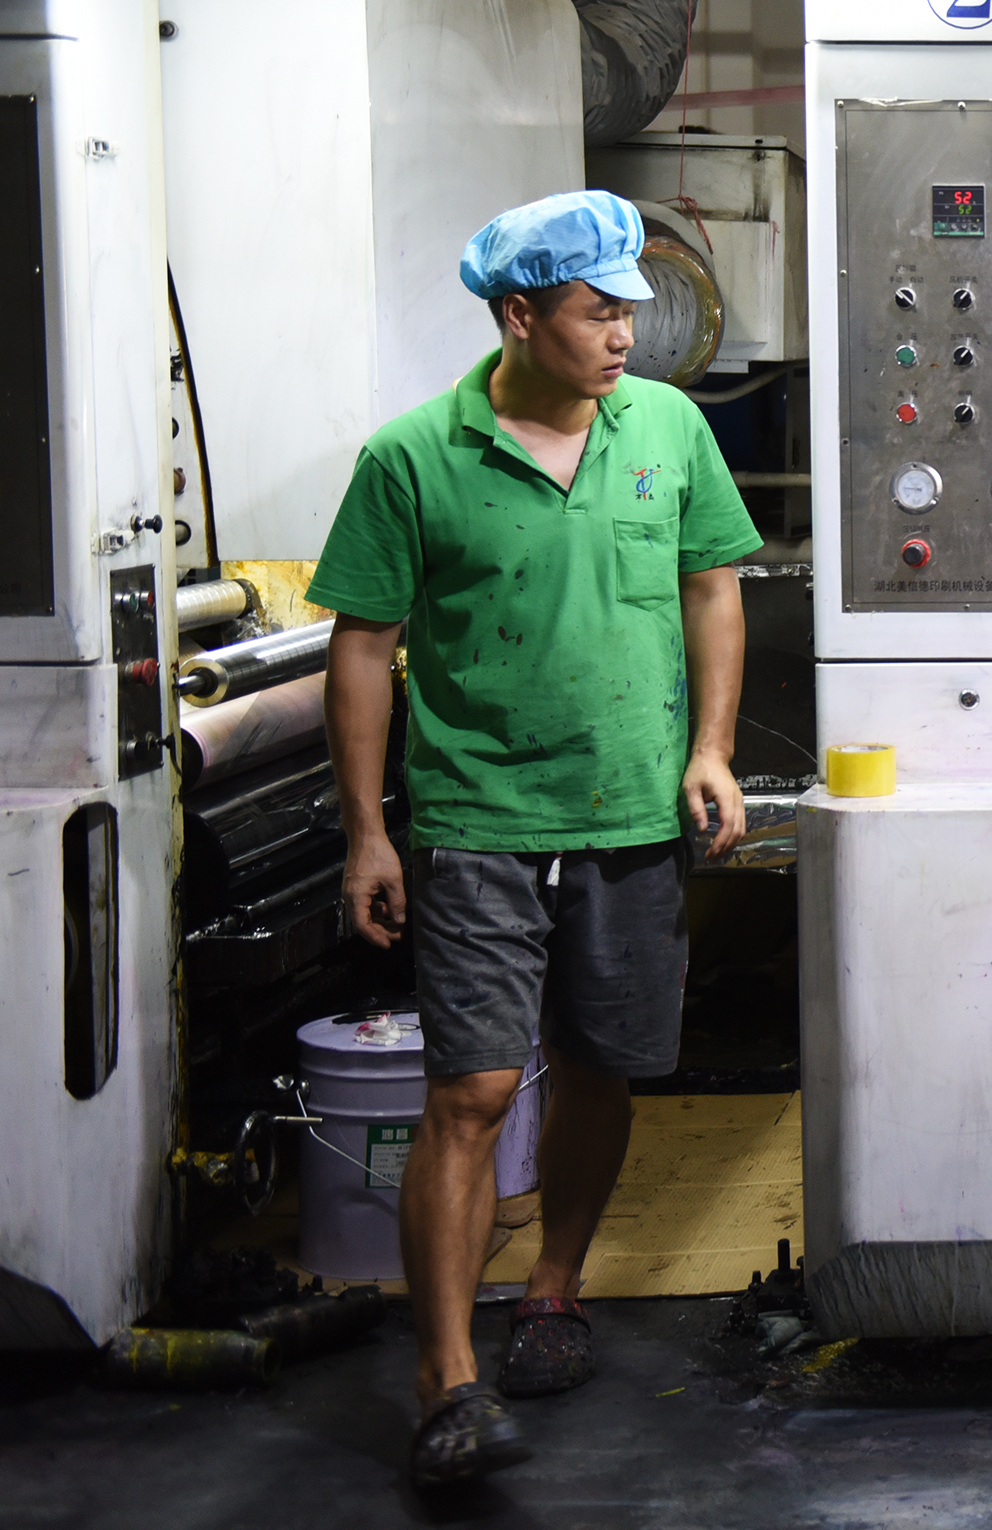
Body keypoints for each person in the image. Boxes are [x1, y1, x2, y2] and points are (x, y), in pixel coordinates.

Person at [306, 190, 761, 1488]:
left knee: (603, 1064)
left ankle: (553, 1289)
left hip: (631, 810)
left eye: (631, 307)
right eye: (598, 309)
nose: (627, 332)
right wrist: (363, 834)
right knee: (474, 1091)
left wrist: (711, 750)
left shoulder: (666, 428)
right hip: (477, 822)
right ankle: (445, 1379)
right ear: (520, 315)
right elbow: (363, 645)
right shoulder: (413, 458)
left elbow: (713, 583)